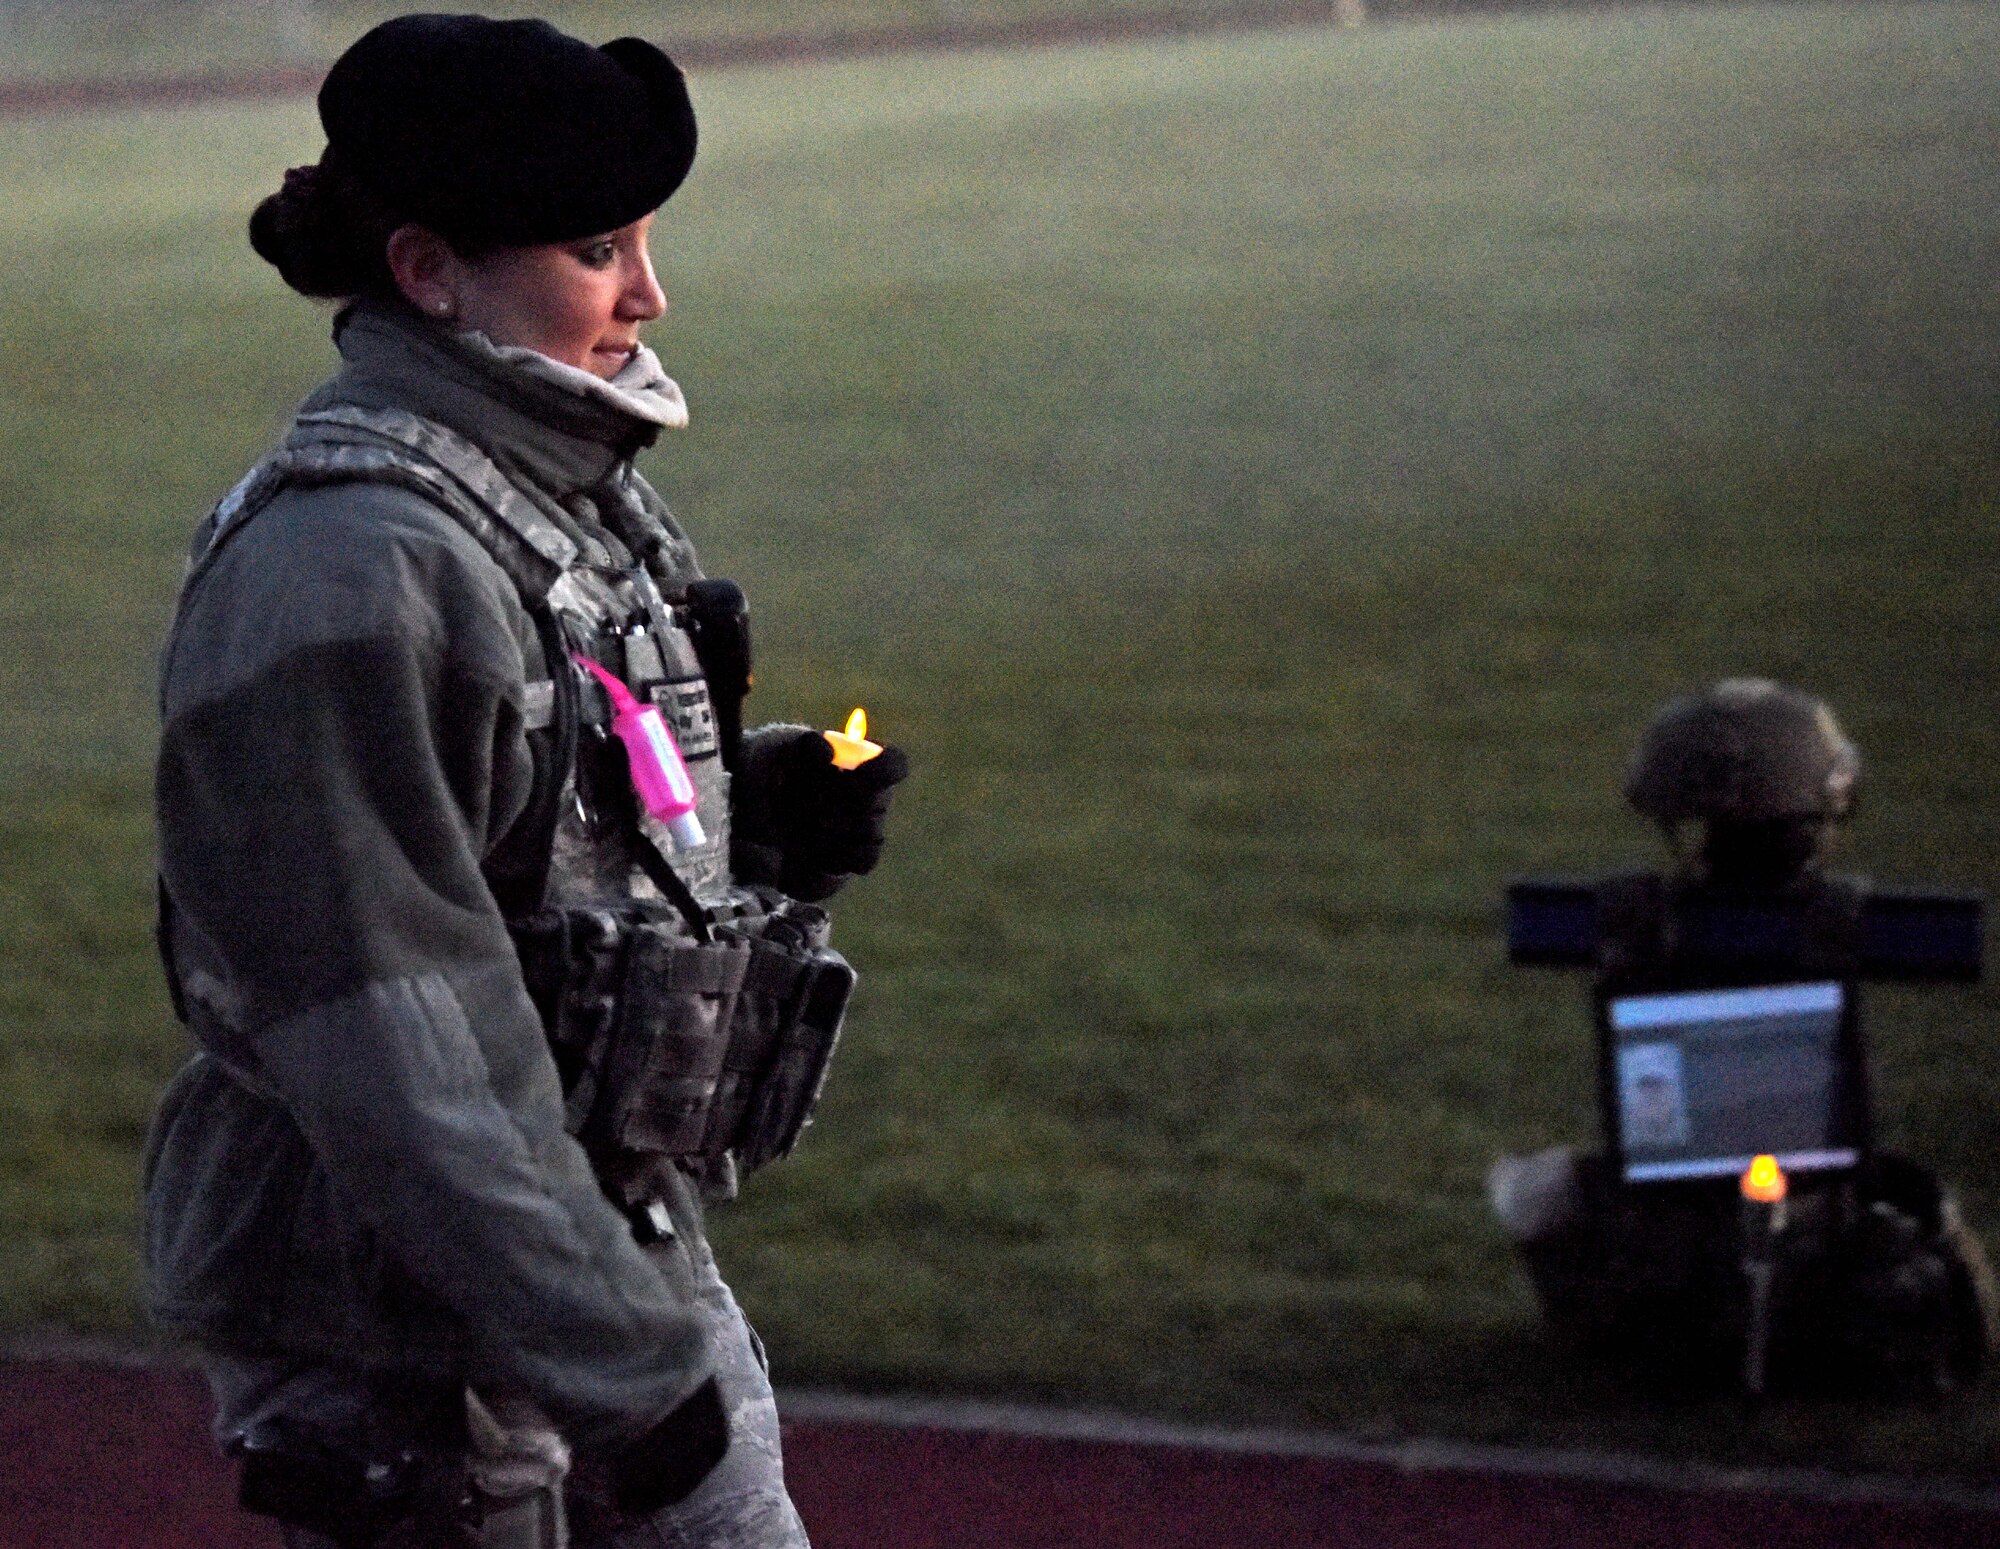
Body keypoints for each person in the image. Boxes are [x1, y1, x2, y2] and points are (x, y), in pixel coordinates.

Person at [141, 15, 908, 1547]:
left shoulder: (542, 492)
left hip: (577, 1266)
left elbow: (529, 838)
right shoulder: (350, 568)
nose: (648, 293)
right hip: (410, 1343)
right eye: (596, 248)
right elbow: (393, 1040)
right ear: (430, 271)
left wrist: (754, 820)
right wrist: (627, 1369)